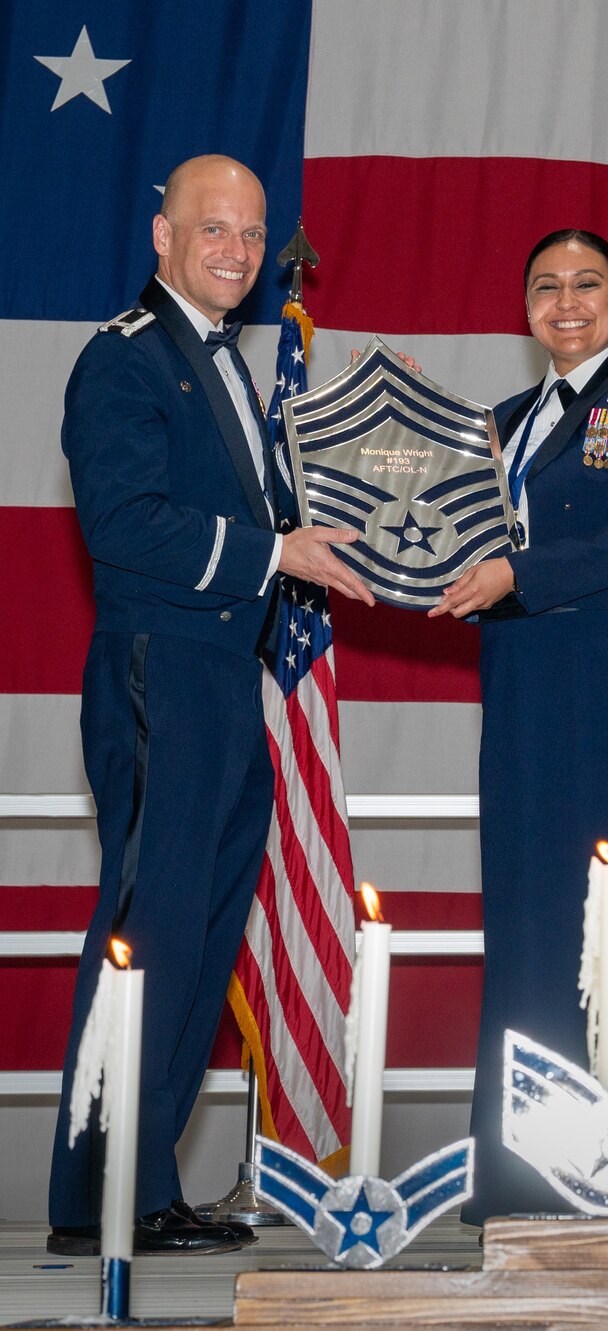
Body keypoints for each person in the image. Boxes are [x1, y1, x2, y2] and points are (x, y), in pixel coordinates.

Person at [50, 155, 372, 1255]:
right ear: (163, 234)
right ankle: (96, 1188)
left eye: (251, 233)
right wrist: (276, 549)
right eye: (213, 229)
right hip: (163, 668)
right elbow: (124, 524)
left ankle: (141, 1186)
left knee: (199, 930)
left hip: (225, 674)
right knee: (151, 926)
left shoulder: (229, 361)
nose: (235, 250)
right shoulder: (122, 360)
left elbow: (285, 511)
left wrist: (391, 453)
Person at [430, 229, 608, 1221]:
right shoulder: (499, 420)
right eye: (544, 285)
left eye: (586, 283)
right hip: (520, 685)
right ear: (523, 308)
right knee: (528, 914)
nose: (565, 301)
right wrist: (399, 456)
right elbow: (448, 537)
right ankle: (523, 1170)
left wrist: (520, 574)